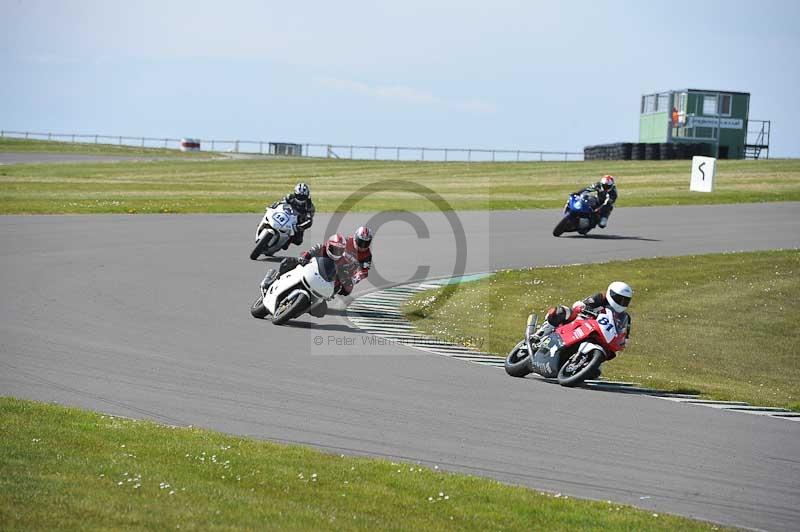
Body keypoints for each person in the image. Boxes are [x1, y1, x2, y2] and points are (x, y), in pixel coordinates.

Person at [533, 281, 633, 378]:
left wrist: (623, 341)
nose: (622, 302)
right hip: (582, 323)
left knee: (596, 372)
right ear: (610, 294)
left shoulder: (625, 317)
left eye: (625, 300)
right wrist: (582, 307)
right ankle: (540, 334)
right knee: (563, 312)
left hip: (600, 335)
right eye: (619, 298)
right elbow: (579, 305)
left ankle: (585, 363)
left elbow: (625, 335)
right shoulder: (600, 298)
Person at [272, 182, 315, 248]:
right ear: (295, 194)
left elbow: (309, 220)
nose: (301, 199)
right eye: (299, 196)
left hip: (297, 222)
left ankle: (287, 241)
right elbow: (280, 203)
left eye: (303, 197)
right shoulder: (289, 197)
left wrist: (300, 226)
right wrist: (275, 205)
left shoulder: (309, 206)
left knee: (298, 241)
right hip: (286, 215)